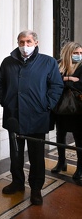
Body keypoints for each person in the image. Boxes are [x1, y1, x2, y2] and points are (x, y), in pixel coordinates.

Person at [0, 30, 64, 205]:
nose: (24, 45)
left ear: (35, 42)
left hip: (38, 117)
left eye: (28, 42)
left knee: (36, 156)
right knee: (16, 154)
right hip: (14, 116)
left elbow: (56, 85)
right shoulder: (8, 62)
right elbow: (0, 84)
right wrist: (5, 101)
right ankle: (17, 182)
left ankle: (36, 189)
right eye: (21, 42)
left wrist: (47, 105)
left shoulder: (48, 62)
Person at [51, 42, 82, 180]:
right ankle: (61, 162)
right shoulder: (58, 64)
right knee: (60, 135)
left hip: (77, 108)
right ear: (69, 53)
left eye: (81, 53)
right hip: (60, 107)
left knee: (79, 138)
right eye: (76, 53)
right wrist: (69, 79)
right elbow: (52, 81)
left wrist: (64, 81)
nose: (79, 56)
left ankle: (80, 167)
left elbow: (80, 84)